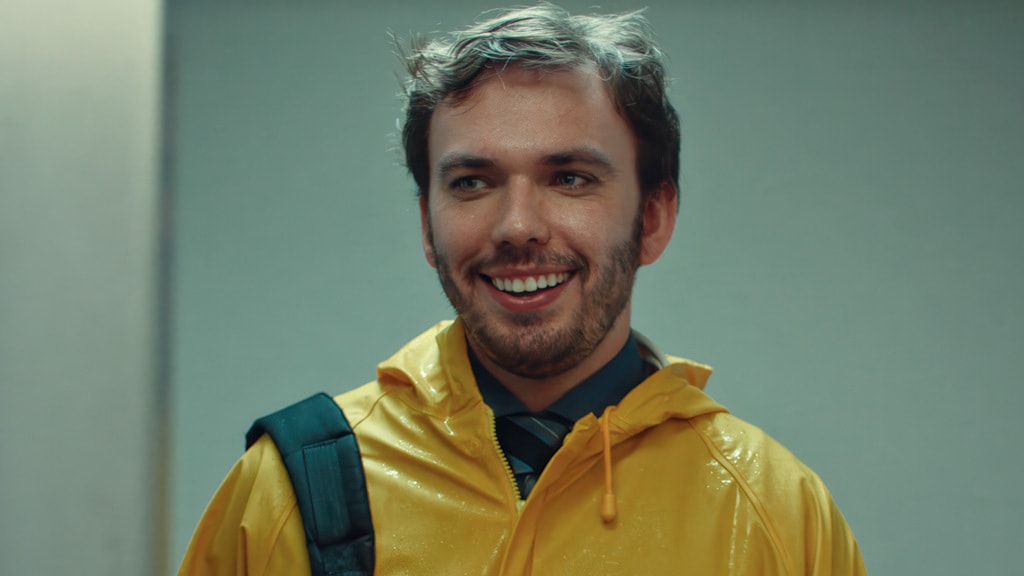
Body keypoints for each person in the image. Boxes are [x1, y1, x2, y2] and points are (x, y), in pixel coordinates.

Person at [178, 4, 865, 575]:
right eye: (472, 182)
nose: (516, 227)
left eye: (569, 178)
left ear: (653, 218)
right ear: (426, 225)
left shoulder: (778, 514)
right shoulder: (285, 494)